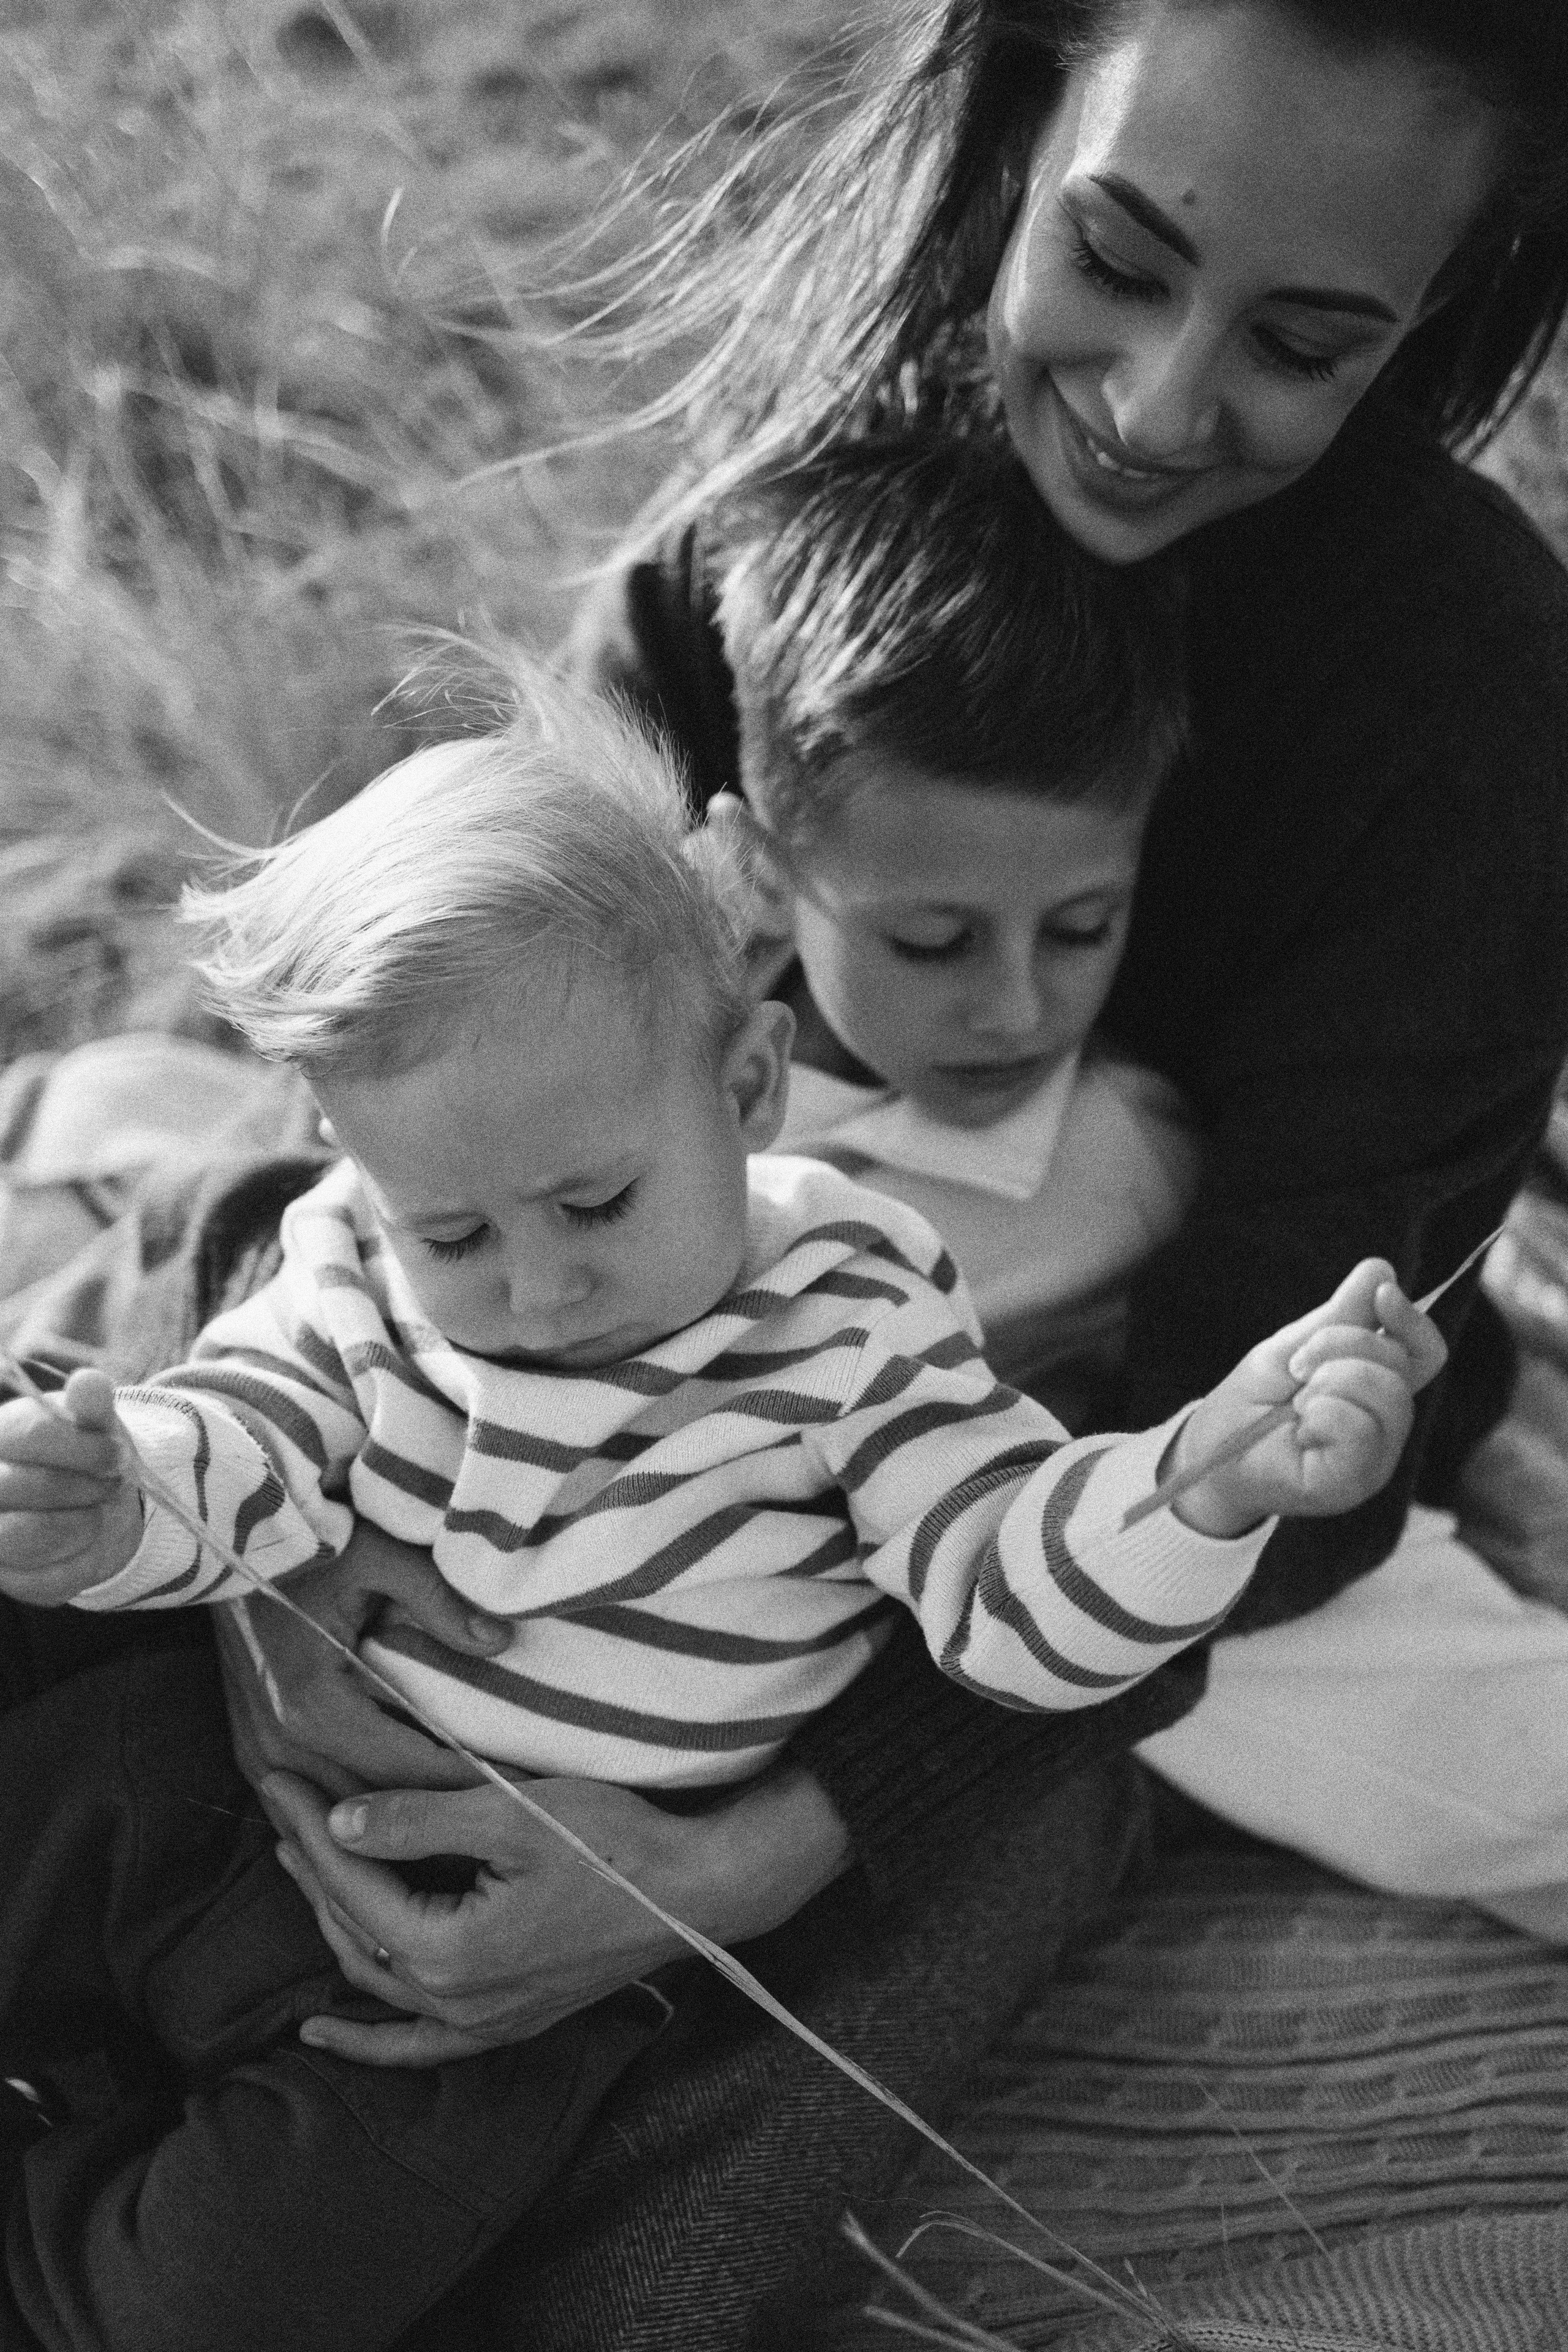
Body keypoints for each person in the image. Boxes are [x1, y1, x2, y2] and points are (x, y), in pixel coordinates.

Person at [6, 2, 1568, 2344]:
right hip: (640, 1336)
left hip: (1120, 1466)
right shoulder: (757, 550)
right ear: (1015, 129)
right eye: (1119, 258)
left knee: (1374, 1748)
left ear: (1441, 318)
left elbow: (1266, 1426)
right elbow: (423, 1081)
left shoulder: (1471, 693)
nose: (1160, 403)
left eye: (1305, 343)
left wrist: (753, 1847)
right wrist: (279, 1588)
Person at [0, 658, 1445, 2352]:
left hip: (462, 1988)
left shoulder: (848, 1316)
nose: (536, 1286)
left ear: (749, 1089)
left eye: (597, 1204)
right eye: (454, 1234)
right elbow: (245, 1432)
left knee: (231, 2294)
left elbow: (1006, 1590)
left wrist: (1203, 1481)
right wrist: (117, 1500)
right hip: (183, 1784)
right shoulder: (345, 1257)